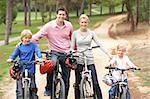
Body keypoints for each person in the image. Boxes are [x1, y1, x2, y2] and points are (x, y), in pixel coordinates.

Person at [31, 7, 73, 98]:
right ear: (56, 15)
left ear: (65, 15)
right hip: (54, 52)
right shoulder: (49, 26)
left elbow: (72, 38)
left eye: (63, 14)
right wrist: (24, 42)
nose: (61, 16)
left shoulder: (69, 25)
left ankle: (64, 96)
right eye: (60, 14)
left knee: (66, 78)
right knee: (51, 65)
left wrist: (74, 50)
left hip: (66, 53)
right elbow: (38, 36)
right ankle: (49, 88)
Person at [70, 14, 111, 99]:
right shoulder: (75, 33)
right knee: (78, 82)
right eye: (82, 22)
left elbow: (99, 44)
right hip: (79, 58)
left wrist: (108, 54)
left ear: (87, 23)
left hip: (89, 58)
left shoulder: (91, 33)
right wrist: (71, 52)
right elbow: (72, 47)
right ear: (79, 22)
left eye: (85, 22)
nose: (84, 24)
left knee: (95, 82)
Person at [7, 29, 43, 99]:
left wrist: (40, 58)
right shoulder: (19, 46)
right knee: (19, 87)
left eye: (29, 38)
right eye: (26, 38)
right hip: (21, 67)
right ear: (22, 38)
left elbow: (38, 51)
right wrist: (11, 59)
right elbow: (14, 54)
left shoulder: (33, 45)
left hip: (31, 66)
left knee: (32, 86)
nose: (27, 39)